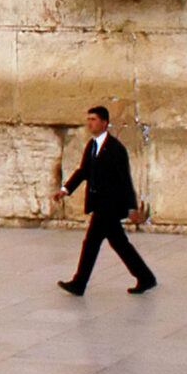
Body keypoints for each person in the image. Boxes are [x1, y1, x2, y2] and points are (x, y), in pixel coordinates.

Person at [53, 105, 156, 296]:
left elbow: (125, 180)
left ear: (104, 123)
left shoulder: (116, 149)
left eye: (93, 119)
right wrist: (65, 189)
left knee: (91, 243)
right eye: (89, 119)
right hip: (99, 204)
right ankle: (146, 277)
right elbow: (83, 171)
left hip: (109, 206)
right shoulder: (92, 146)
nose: (90, 123)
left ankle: (79, 283)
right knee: (119, 244)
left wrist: (132, 207)